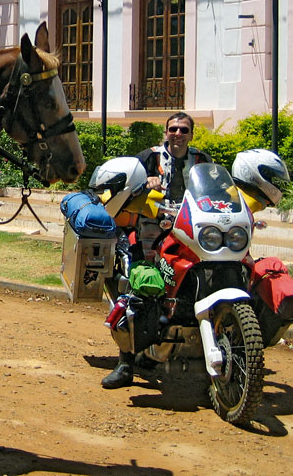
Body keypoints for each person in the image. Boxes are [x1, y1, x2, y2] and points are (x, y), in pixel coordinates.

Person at [101, 112, 211, 389]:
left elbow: (216, 188)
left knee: (192, 284)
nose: (177, 134)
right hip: (150, 230)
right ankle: (126, 363)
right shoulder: (148, 157)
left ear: (191, 134)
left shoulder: (202, 160)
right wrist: (145, 182)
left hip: (189, 232)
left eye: (183, 129)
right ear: (166, 132)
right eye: (172, 129)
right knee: (138, 283)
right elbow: (127, 186)